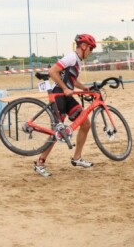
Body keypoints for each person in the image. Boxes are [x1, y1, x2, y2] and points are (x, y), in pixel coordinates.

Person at [34, 34, 97, 177]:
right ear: (83, 46)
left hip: (67, 97)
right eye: (91, 49)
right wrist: (64, 88)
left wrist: (83, 88)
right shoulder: (71, 57)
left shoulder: (78, 61)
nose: (91, 52)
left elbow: (71, 80)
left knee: (85, 123)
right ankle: (40, 163)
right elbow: (52, 71)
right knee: (57, 133)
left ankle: (77, 158)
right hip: (59, 96)